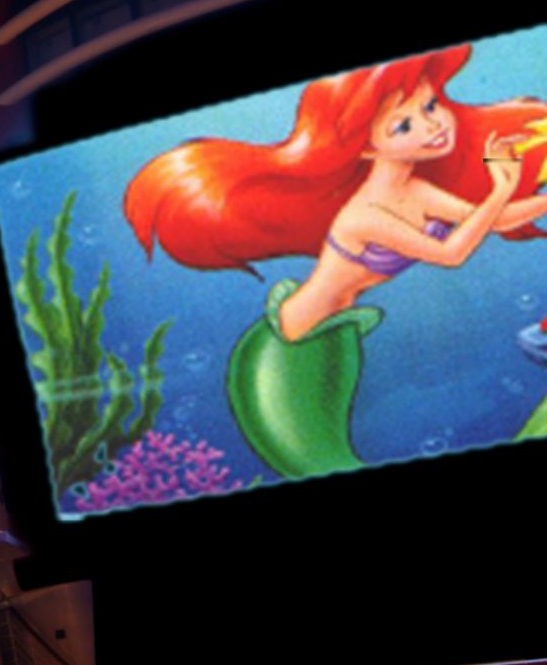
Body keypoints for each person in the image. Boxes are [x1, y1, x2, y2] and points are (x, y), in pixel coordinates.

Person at [124, 45, 547, 477]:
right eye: (404, 124)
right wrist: (499, 189)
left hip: (333, 333)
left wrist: (518, 191)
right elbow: (452, 253)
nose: (432, 124)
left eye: (430, 105)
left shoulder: (413, 192)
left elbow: (491, 220)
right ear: (363, 148)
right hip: (294, 345)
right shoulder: (366, 214)